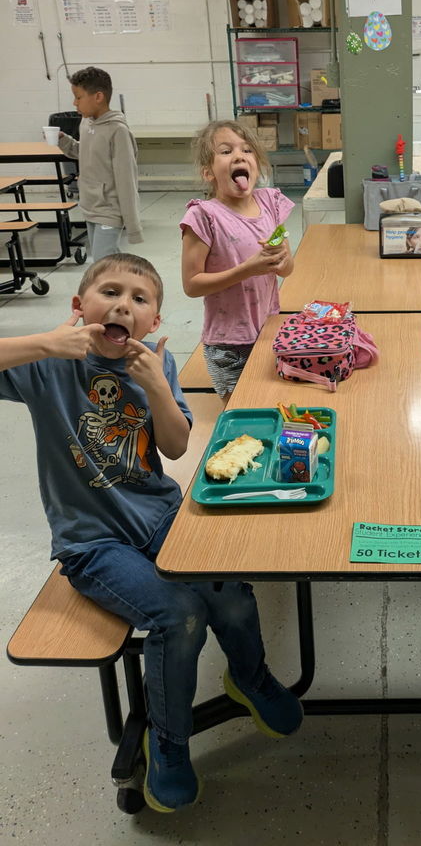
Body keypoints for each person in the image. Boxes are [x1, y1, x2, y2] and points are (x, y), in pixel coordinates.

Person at [0, 253, 303, 813]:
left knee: (228, 590)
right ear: (78, 306)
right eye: (109, 292)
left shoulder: (153, 366)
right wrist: (46, 343)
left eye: (139, 299)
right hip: (93, 544)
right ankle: (168, 740)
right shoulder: (48, 367)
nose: (123, 304)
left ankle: (250, 678)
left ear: (154, 322)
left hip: (161, 517)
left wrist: (157, 388)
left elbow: (176, 446)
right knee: (178, 615)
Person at [180, 121, 294, 402]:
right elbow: (192, 285)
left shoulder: (271, 203)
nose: (240, 156)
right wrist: (247, 269)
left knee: (271, 405)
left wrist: (281, 262)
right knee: (241, 412)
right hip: (228, 344)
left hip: (268, 330)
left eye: (247, 150)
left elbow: (288, 268)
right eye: (226, 151)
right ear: (208, 172)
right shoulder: (204, 216)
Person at [58, 67, 143, 261]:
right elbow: (85, 153)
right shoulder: (86, 123)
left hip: (109, 210)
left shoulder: (118, 131)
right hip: (90, 206)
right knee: (107, 263)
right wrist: (64, 141)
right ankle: (130, 287)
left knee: (102, 263)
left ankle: (131, 288)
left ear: (98, 97)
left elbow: (127, 180)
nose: (74, 103)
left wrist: (133, 228)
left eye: (78, 97)